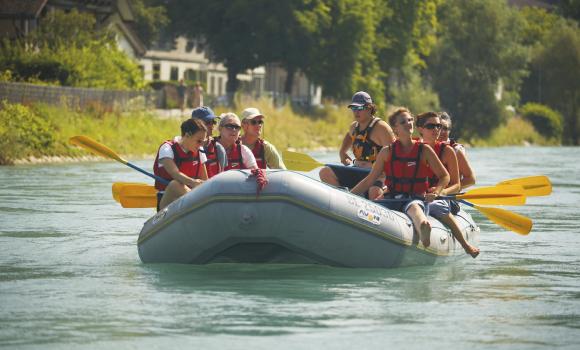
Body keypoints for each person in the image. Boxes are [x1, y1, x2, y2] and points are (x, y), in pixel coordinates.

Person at [351, 108, 449, 248]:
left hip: (415, 198)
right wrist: (349, 195)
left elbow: (444, 176)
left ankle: (423, 227)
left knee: (414, 208)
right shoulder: (387, 151)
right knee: (372, 209)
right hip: (391, 198)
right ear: (395, 128)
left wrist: (437, 192)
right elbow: (370, 179)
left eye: (410, 120)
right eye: (403, 122)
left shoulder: (424, 150)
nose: (408, 123)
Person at [417, 112, 479, 258]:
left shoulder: (452, 151)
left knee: (438, 206)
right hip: (422, 194)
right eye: (434, 126)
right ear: (421, 129)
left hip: (446, 197)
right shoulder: (415, 148)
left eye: (443, 127)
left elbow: (466, 181)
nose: (439, 130)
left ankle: (465, 245)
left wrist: (442, 191)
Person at [319, 91, 395, 199]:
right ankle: (344, 199)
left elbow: (395, 154)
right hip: (356, 170)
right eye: (354, 108)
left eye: (360, 108)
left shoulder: (382, 128)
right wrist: (342, 152)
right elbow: (349, 135)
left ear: (369, 108)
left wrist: (386, 173)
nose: (356, 112)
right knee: (325, 172)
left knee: (374, 192)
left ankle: (363, 196)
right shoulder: (354, 127)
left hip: (376, 175)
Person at [153, 118, 208, 211]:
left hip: (189, 201)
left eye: (203, 142)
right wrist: (193, 182)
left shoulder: (200, 152)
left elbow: (205, 180)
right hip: (167, 202)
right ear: (187, 135)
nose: (201, 145)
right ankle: (200, 204)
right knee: (176, 184)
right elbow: (175, 174)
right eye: (199, 141)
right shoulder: (167, 148)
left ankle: (200, 205)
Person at [438, 112, 476, 190]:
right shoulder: (425, 148)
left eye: (445, 128)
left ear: (449, 131)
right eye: (439, 127)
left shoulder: (456, 150)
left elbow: (471, 180)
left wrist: (445, 190)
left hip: (447, 197)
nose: (442, 131)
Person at [191, 106, 226, 178]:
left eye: (213, 122)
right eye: (207, 122)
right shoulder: (186, 146)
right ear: (195, 124)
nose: (211, 126)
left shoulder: (218, 148)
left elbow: (222, 177)